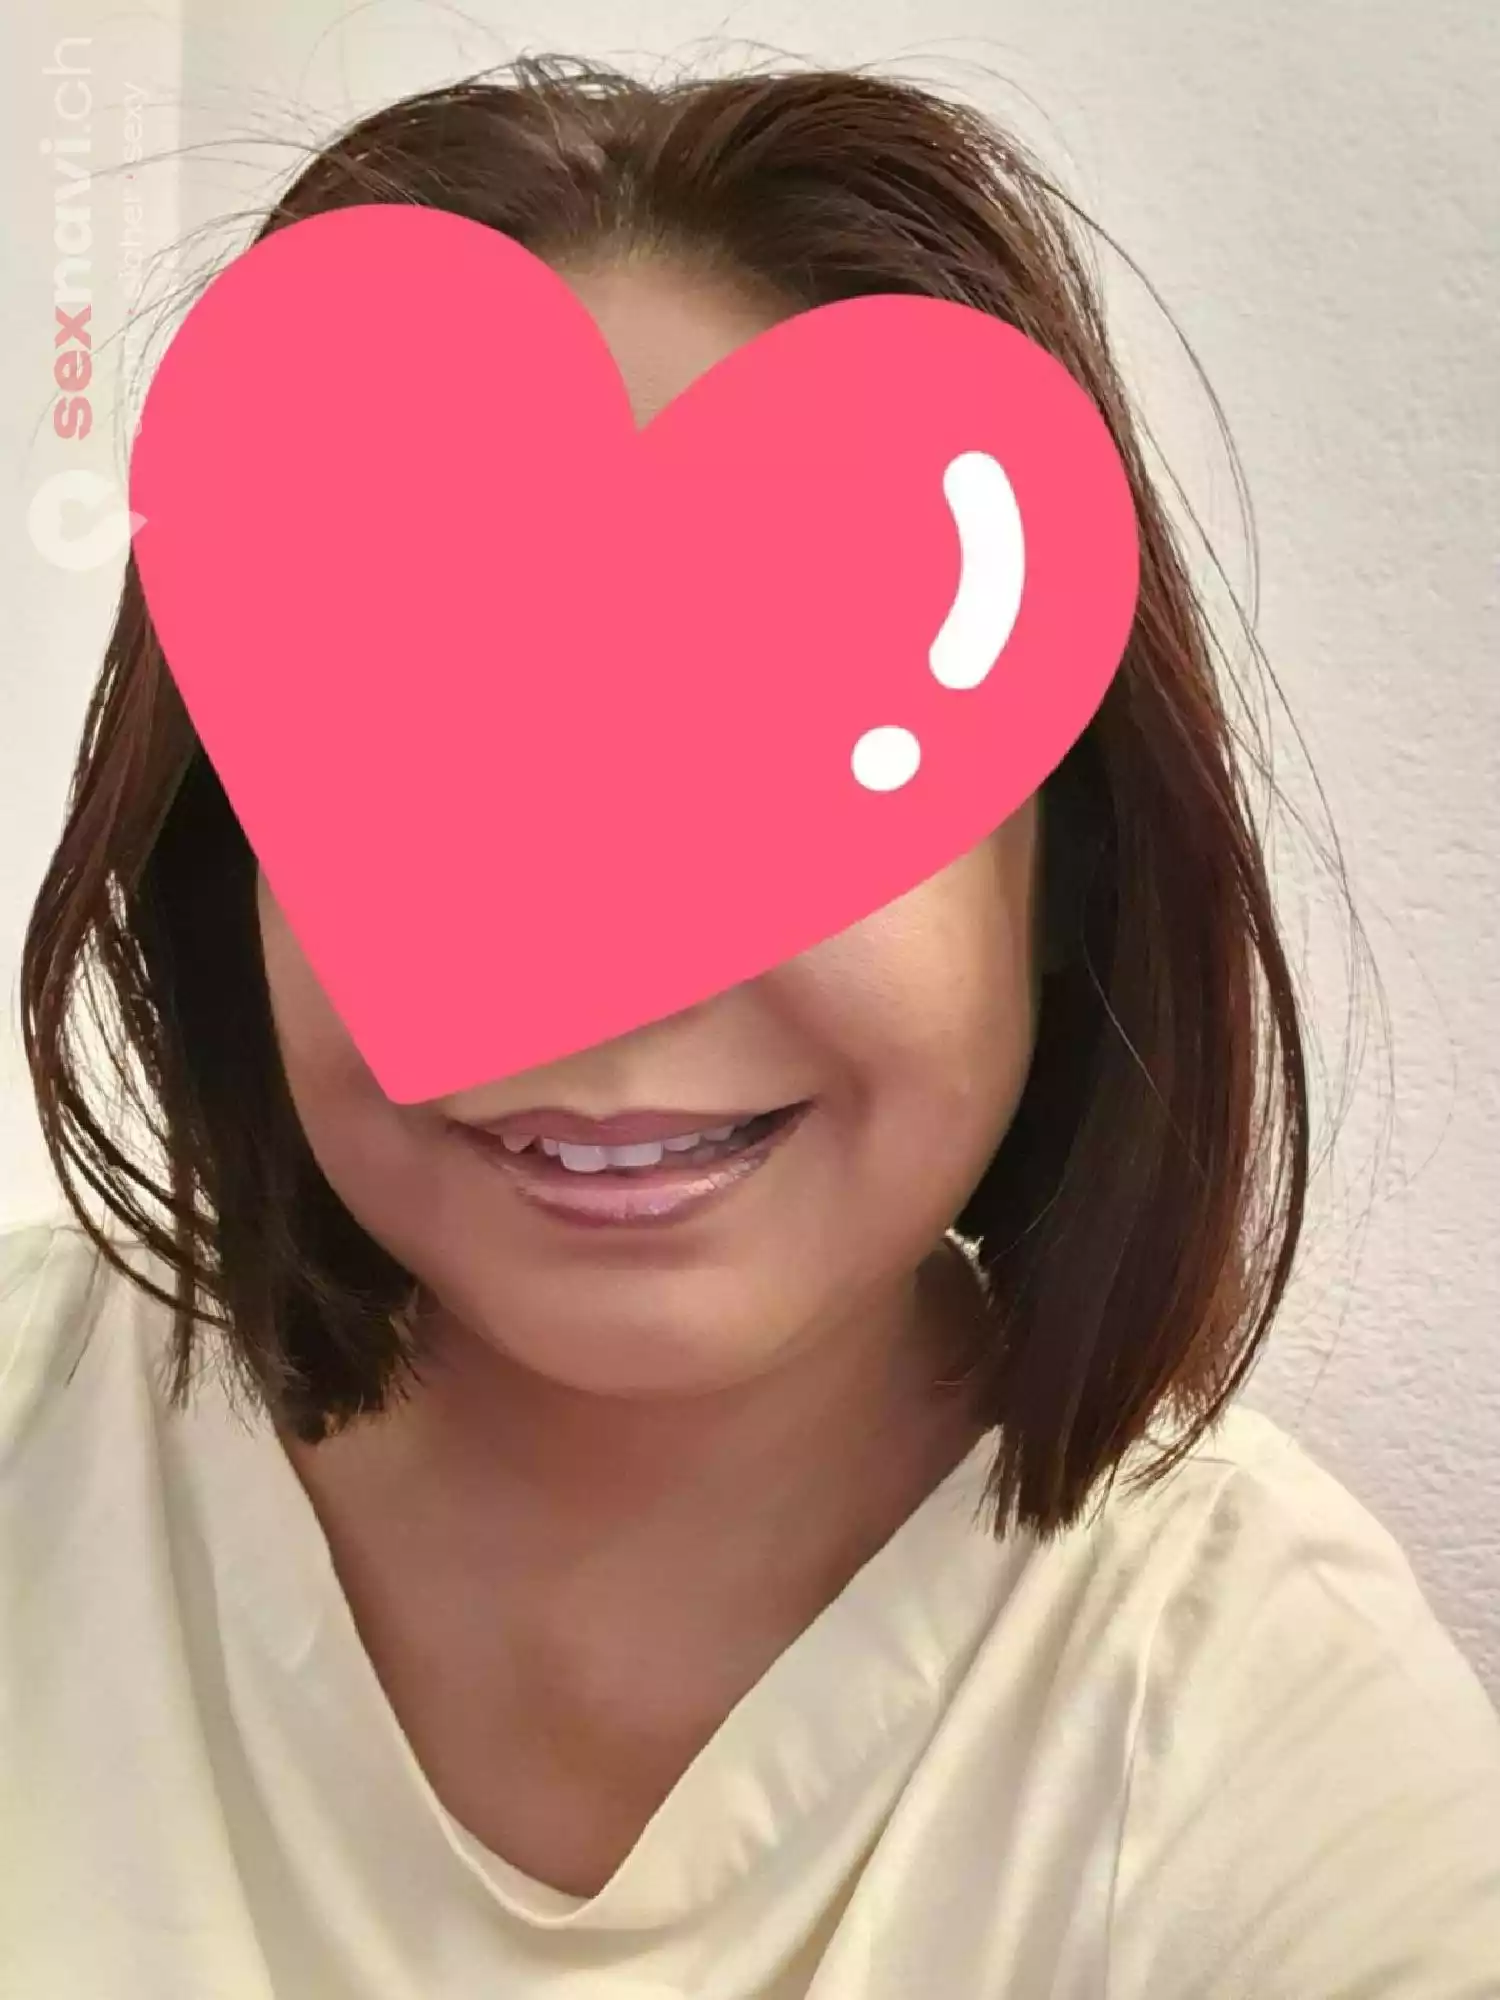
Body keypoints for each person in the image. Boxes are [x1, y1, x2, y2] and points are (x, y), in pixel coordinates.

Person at [3, 57, 1497, 2000]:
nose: (611, 977)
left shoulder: (1265, 1752)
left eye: (794, 740)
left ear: (1066, 872)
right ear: (237, 868)